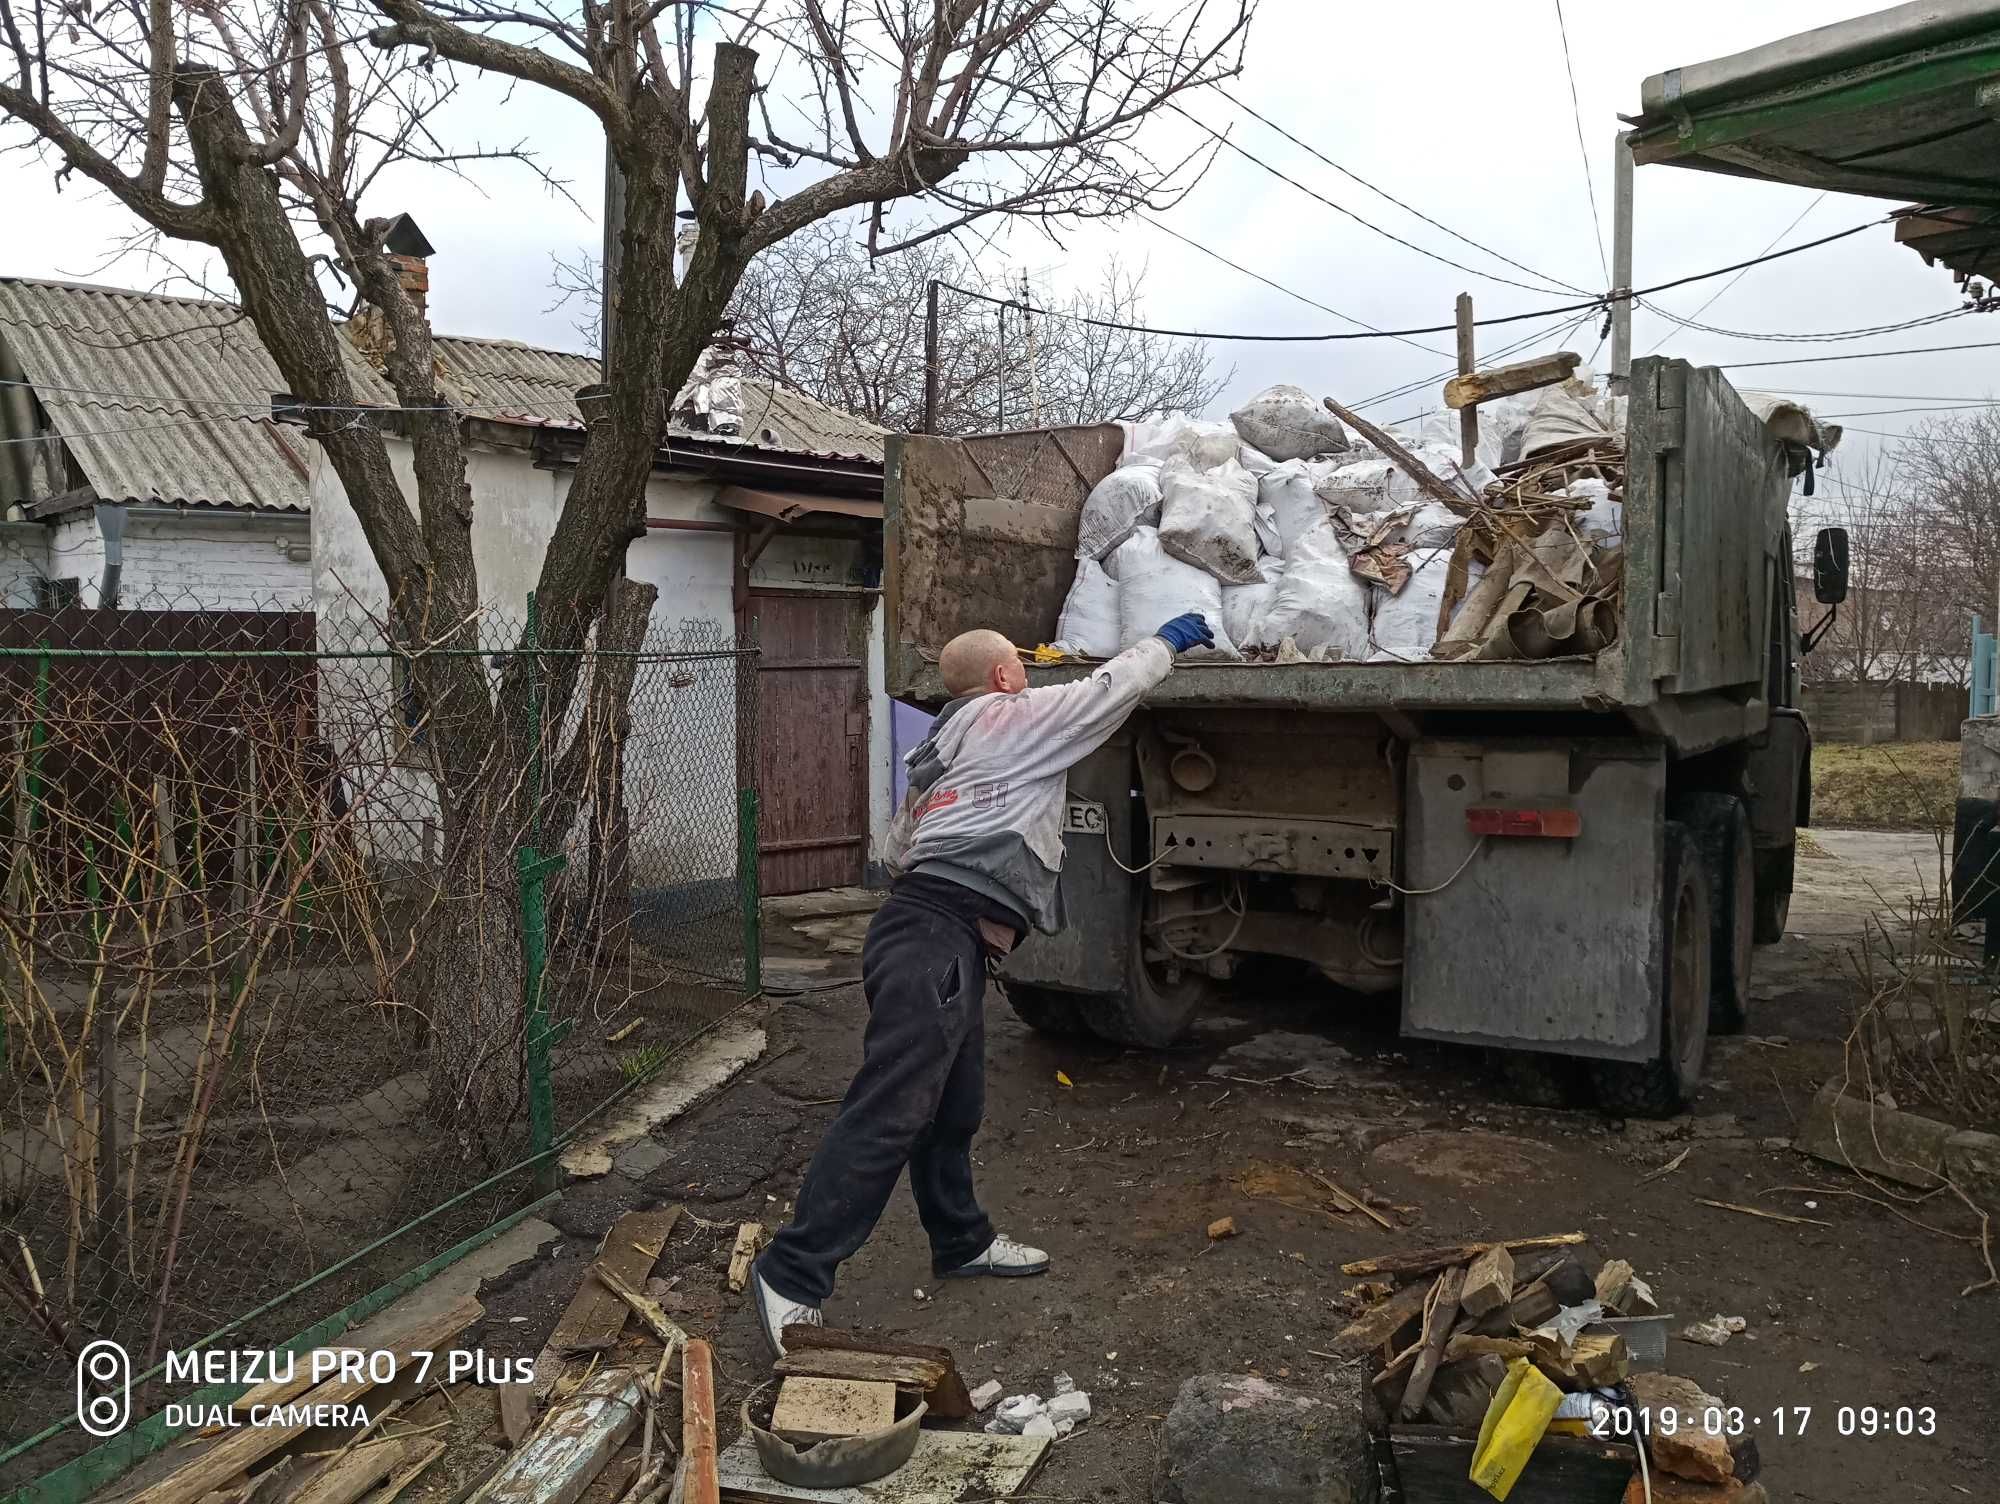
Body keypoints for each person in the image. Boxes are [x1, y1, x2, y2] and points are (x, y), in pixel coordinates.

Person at [752, 611, 1218, 1353]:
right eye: (1022, 669)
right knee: (893, 1107)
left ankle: (961, 1241)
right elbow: (1107, 690)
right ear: (1005, 676)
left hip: (933, 933)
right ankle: (794, 1272)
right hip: (936, 935)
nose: (1029, 678)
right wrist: (1167, 641)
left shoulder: (940, 747)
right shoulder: (1011, 717)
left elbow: (904, 845)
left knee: (952, 1104)